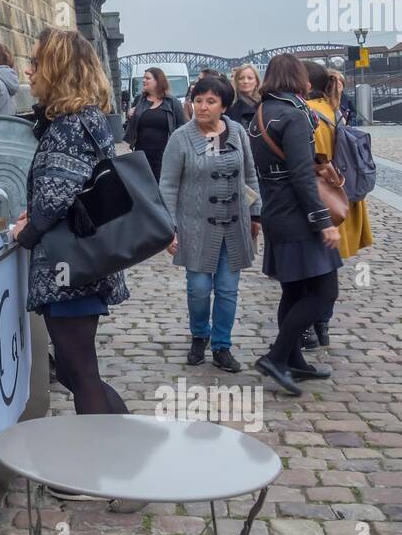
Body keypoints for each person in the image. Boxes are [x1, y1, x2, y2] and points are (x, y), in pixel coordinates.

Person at [11, 27, 134, 508]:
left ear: (57, 69)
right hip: (83, 264)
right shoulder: (86, 118)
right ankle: (128, 454)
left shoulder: (67, 124)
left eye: (37, 63)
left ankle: (104, 477)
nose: (30, 70)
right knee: (76, 370)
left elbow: (58, 196)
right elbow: (70, 191)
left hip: (71, 270)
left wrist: (27, 231)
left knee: (79, 372)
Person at [249, 53, 341, 396]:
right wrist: (323, 222)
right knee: (324, 292)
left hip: (276, 211)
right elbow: (302, 176)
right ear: (297, 78)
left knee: (294, 289)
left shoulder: (260, 114)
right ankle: (275, 357)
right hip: (300, 216)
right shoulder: (294, 115)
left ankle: (294, 360)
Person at [160, 75, 261, 372]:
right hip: (195, 227)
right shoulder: (181, 138)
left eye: (210, 101)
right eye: (198, 100)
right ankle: (199, 334)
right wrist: (170, 227)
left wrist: (256, 215)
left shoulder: (238, 133)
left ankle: (221, 346)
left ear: (224, 106)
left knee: (228, 289)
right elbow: (167, 185)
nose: (202, 106)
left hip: (234, 225)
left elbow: (250, 176)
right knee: (199, 288)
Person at [301, 62, 373, 349]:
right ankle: (323, 325)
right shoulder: (335, 111)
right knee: (329, 266)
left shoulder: (308, 115)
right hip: (341, 195)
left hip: (320, 196)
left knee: (312, 267)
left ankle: (307, 327)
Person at [124, 66, 186, 182]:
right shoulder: (139, 100)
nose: (143, 80)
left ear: (158, 81)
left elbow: (181, 125)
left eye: (147, 78)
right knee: (144, 185)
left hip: (164, 153)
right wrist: (130, 116)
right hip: (141, 153)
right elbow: (132, 125)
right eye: (143, 78)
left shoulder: (172, 102)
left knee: (161, 184)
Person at [226, 63, 261, 132]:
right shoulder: (230, 105)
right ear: (236, 81)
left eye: (250, 78)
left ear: (256, 81)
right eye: (241, 78)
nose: (245, 81)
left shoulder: (264, 103)